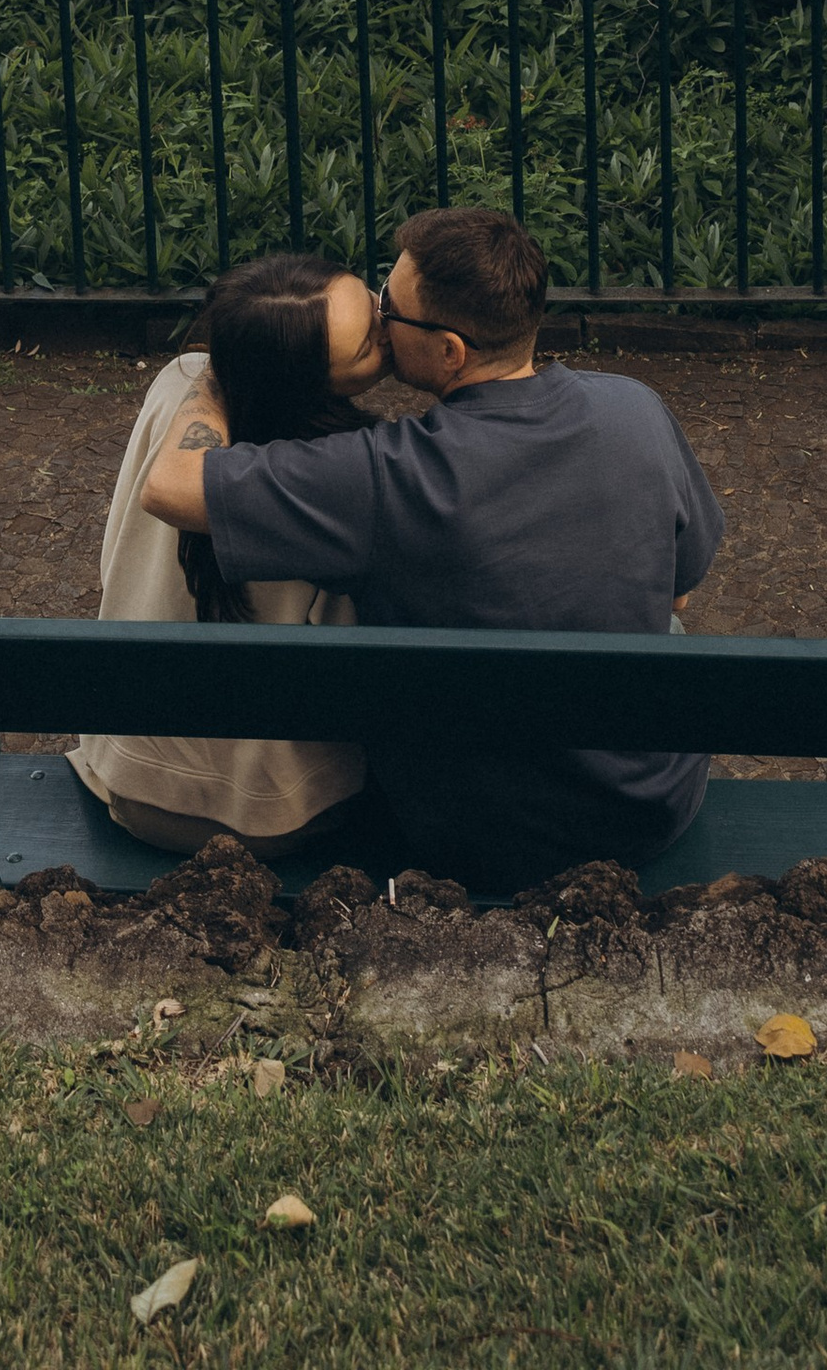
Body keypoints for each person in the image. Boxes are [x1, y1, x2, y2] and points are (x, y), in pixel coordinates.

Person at [138, 204, 723, 892]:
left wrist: (218, 375)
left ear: (449, 351)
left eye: (392, 309)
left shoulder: (385, 476)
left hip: (488, 836)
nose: (380, 319)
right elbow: (677, 590)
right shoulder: (637, 408)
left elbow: (171, 485)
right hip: (653, 806)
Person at [71, 249, 386, 857]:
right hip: (279, 813)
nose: (387, 327)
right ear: (305, 384)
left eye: (373, 303)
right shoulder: (346, 469)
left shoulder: (180, 381)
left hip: (129, 777)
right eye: (369, 344)